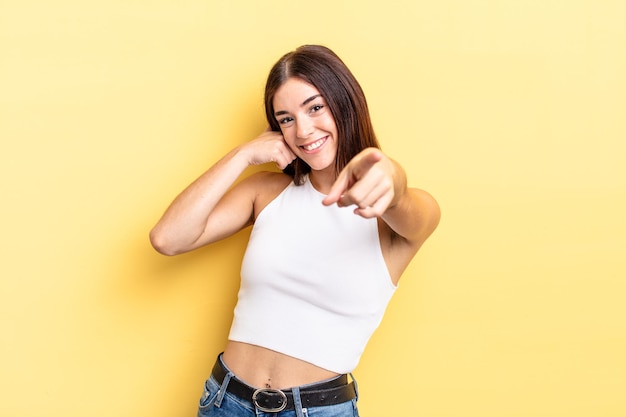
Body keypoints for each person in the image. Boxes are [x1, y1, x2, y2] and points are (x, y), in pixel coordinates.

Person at [150, 45, 440, 417]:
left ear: (345, 103)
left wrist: (391, 176)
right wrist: (243, 154)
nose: (302, 130)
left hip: (320, 410)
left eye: (315, 107)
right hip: (226, 402)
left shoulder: (397, 216)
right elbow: (167, 238)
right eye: (285, 118)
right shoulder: (266, 193)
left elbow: (404, 202)